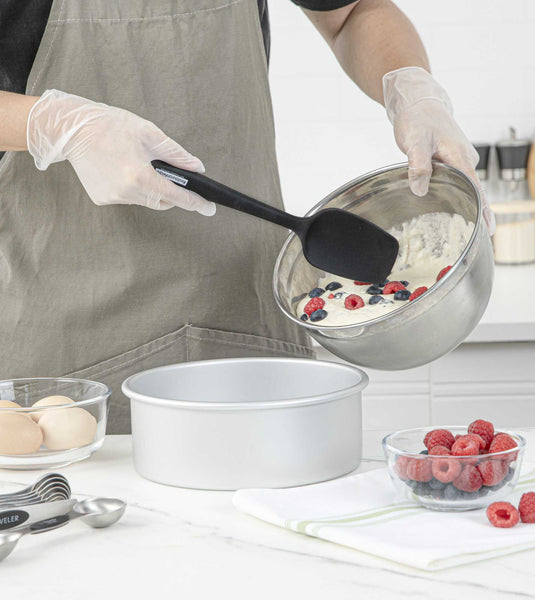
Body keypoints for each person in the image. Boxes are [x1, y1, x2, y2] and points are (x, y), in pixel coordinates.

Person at [0, 0, 490, 433]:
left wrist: (412, 89)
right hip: (67, 359)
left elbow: (351, 14)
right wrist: (57, 126)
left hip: (246, 317)